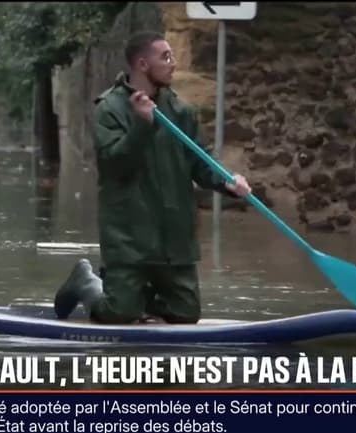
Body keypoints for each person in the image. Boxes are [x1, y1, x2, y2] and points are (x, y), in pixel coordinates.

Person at [52, 31, 252, 324]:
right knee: (120, 314)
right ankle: (87, 283)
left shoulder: (181, 111)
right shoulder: (109, 109)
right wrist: (142, 125)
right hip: (129, 237)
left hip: (174, 238)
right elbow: (114, 164)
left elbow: (200, 162)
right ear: (143, 65)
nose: (173, 64)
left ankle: (139, 297)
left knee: (186, 314)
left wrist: (228, 182)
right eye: (166, 57)